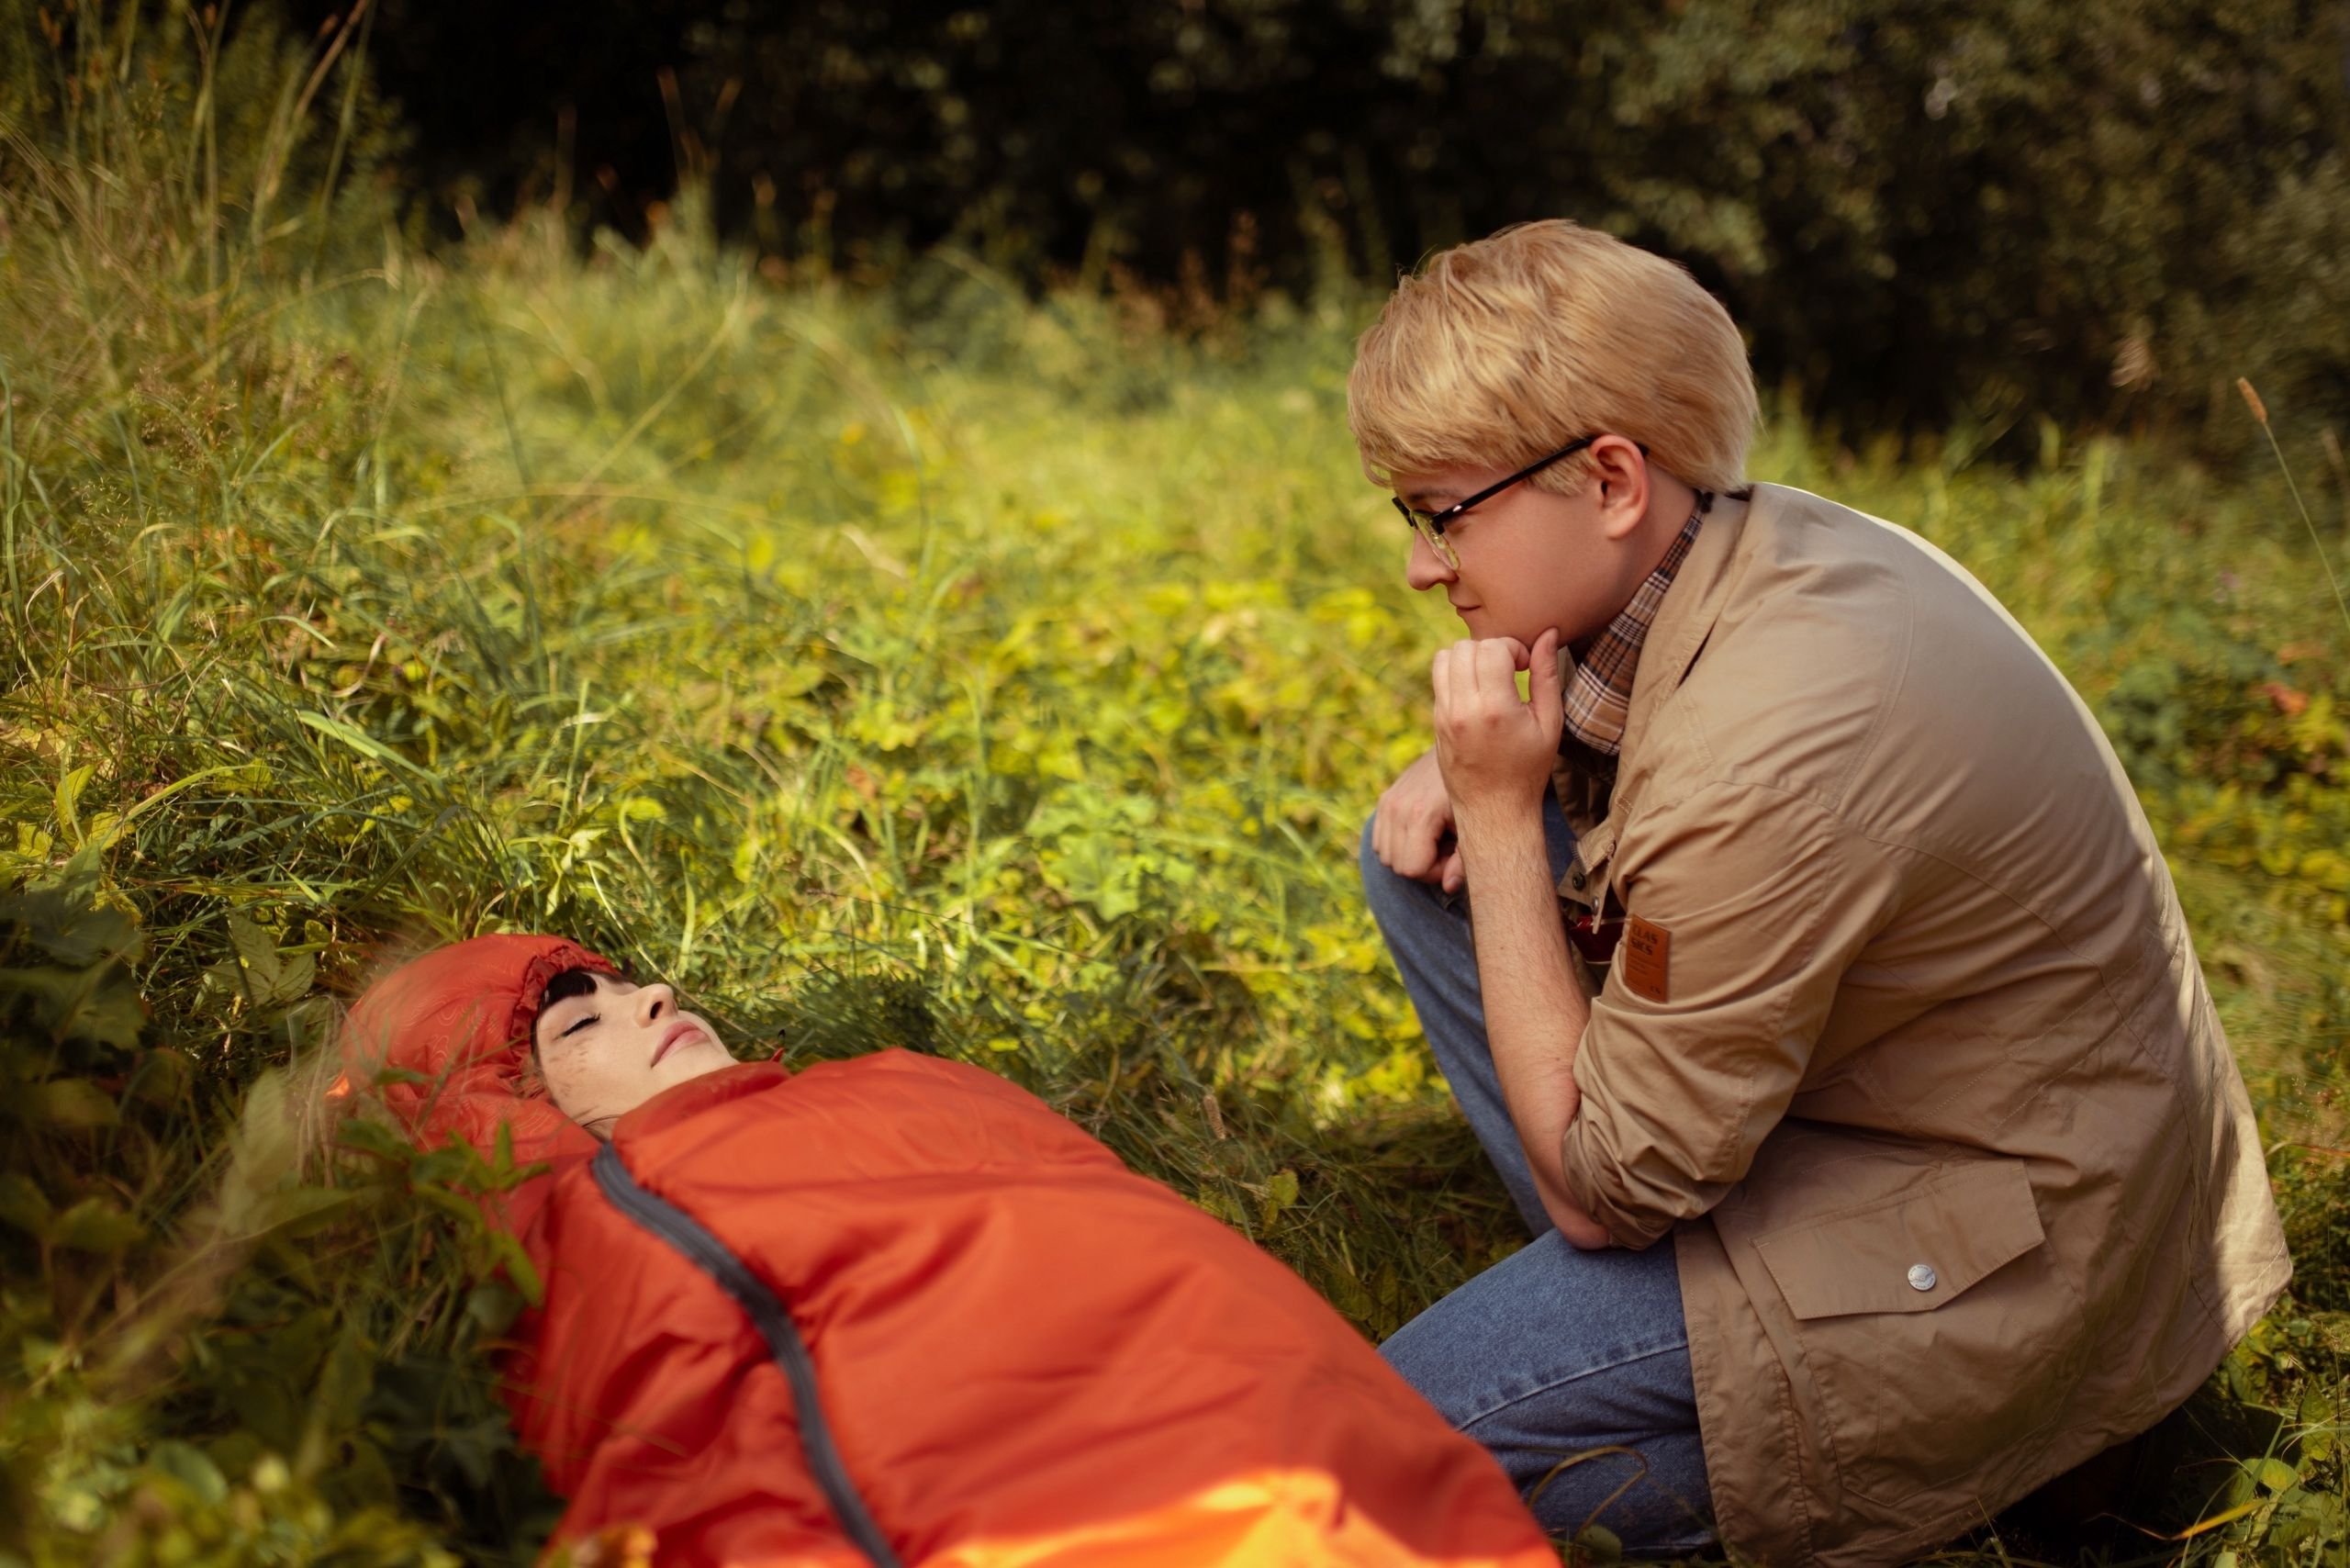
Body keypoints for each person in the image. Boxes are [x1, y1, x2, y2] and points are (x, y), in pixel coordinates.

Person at [1348, 219, 2290, 1566]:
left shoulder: (1777, 742)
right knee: (1411, 858)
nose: (1423, 566)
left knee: (1379, 1454)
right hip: (1909, 1122)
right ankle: (1630, 1290)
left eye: (1445, 515)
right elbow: (1662, 755)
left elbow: (1607, 1183)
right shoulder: (1766, 543)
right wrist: (1516, 784)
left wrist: (1505, 813)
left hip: (2004, 1245)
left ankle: (2033, 1453)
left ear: (1611, 477)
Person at [337, 933, 1558, 1568]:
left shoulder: (896, 1088)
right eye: (580, 1023)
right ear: (511, 1113)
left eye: (631, 982)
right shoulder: (616, 1226)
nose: (652, 998)